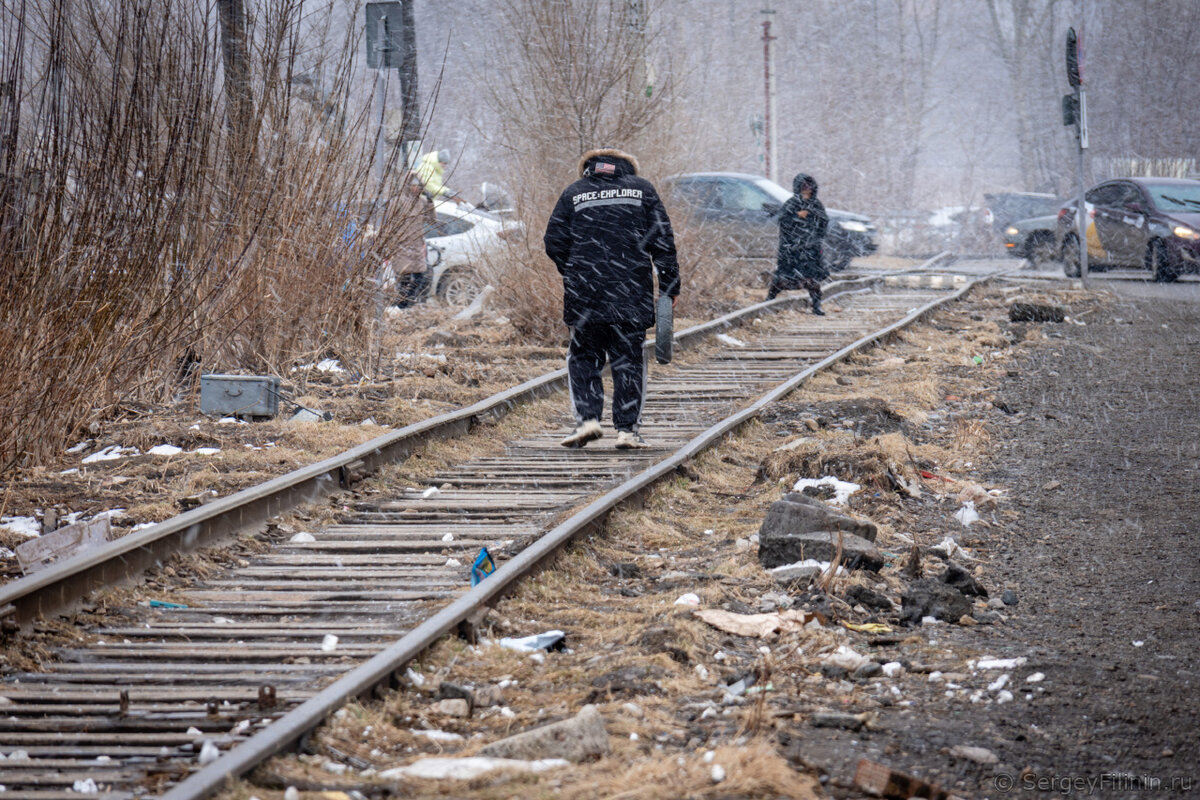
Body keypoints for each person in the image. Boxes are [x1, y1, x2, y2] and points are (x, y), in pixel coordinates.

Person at [544, 147, 680, 450]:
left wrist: (575, 269)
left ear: (588, 168)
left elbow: (553, 241)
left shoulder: (574, 192)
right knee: (629, 359)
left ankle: (588, 420)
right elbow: (663, 242)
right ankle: (627, 430)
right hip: (630, 292)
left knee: (582, 356)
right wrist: (669, 288)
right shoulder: (641, 190)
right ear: (627, 168)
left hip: (584, 293)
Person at [767, 173, 829, 314]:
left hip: (810, 249)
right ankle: (769, 300)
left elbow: (823, 223)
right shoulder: (791, 203)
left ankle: (816, 305)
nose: (807, 191)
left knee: (812, 280)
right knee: (782, 279)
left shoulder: (816, 204)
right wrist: (797, 217)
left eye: (809, 188)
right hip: (792, 249)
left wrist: (813, 236)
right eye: (804, 187)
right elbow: (784, 222)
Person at [391, 171, 436, 306]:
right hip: (401, 245)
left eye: (419, 185)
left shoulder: (422, 202)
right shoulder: (398, 201)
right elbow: (389, 223)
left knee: (420, 276)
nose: (416, 188)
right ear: (407, 185)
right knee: (403, 279)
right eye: (413, 185)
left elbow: (432, 220)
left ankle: (407, 305)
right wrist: (390, 245)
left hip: (417, 245)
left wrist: (430, 202)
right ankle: (402, 307)